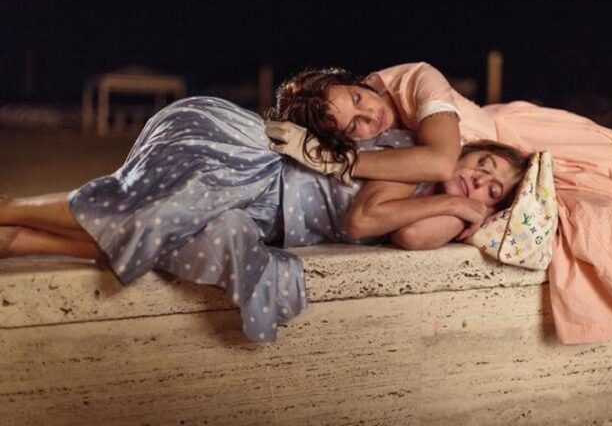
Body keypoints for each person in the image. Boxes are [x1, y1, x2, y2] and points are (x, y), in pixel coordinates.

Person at [0, 96, 528, 343]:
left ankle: (19, 241)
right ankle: (10, 209)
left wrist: (459, 209)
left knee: (180, 243)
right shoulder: (412, 160)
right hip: (252, 166)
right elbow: (364, 220)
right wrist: (456, 204)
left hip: (257, 214)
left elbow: (413, 235)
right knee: (155, 212)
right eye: (483, 166)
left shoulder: (432, 200)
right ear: (465, 151)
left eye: (493, 191)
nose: (478, 184)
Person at [266, 61, 612, 344]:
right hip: (497, 174)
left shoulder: (417, 79)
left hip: (507, 140)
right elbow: (416, 219)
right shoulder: (397, 149)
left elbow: (440, 162)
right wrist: (462, 205)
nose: (368, 116)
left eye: (360, 99)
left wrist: (335, 162)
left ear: (360, 82)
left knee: (606, 165)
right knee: (587, 204)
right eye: (353, 126)